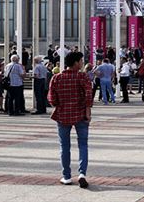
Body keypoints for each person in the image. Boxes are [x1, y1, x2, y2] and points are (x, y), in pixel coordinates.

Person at [48, 51, 92, 188]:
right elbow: (88, 94)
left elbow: (51, 98)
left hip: (63, 115)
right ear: (76, 62)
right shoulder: (82, 77)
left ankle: (66, 176)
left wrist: (58, 105)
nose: (82, 63)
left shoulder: (56, 78)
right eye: (81, 61)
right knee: (83, 144)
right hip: (80, 114)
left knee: (64, 146)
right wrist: (87, 109)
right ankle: (82, 174)